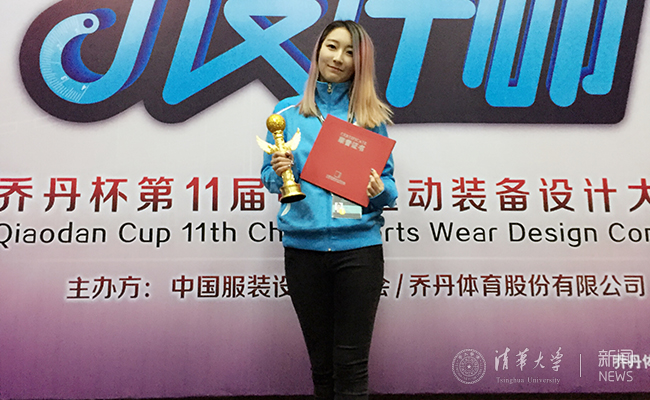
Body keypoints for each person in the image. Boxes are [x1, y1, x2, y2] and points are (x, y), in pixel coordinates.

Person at [260, 20, 397, 400]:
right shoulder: (286, 113)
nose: (338, 58)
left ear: (360, 63)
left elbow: (389, 188)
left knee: (352, 366)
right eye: (332, 47)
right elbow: (268, 177)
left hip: (359, 252)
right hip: (303, 252)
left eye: (350, 52)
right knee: (321, 366)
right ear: (318, 50)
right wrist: (280, 173)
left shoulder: (370, 118)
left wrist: (378, 190)